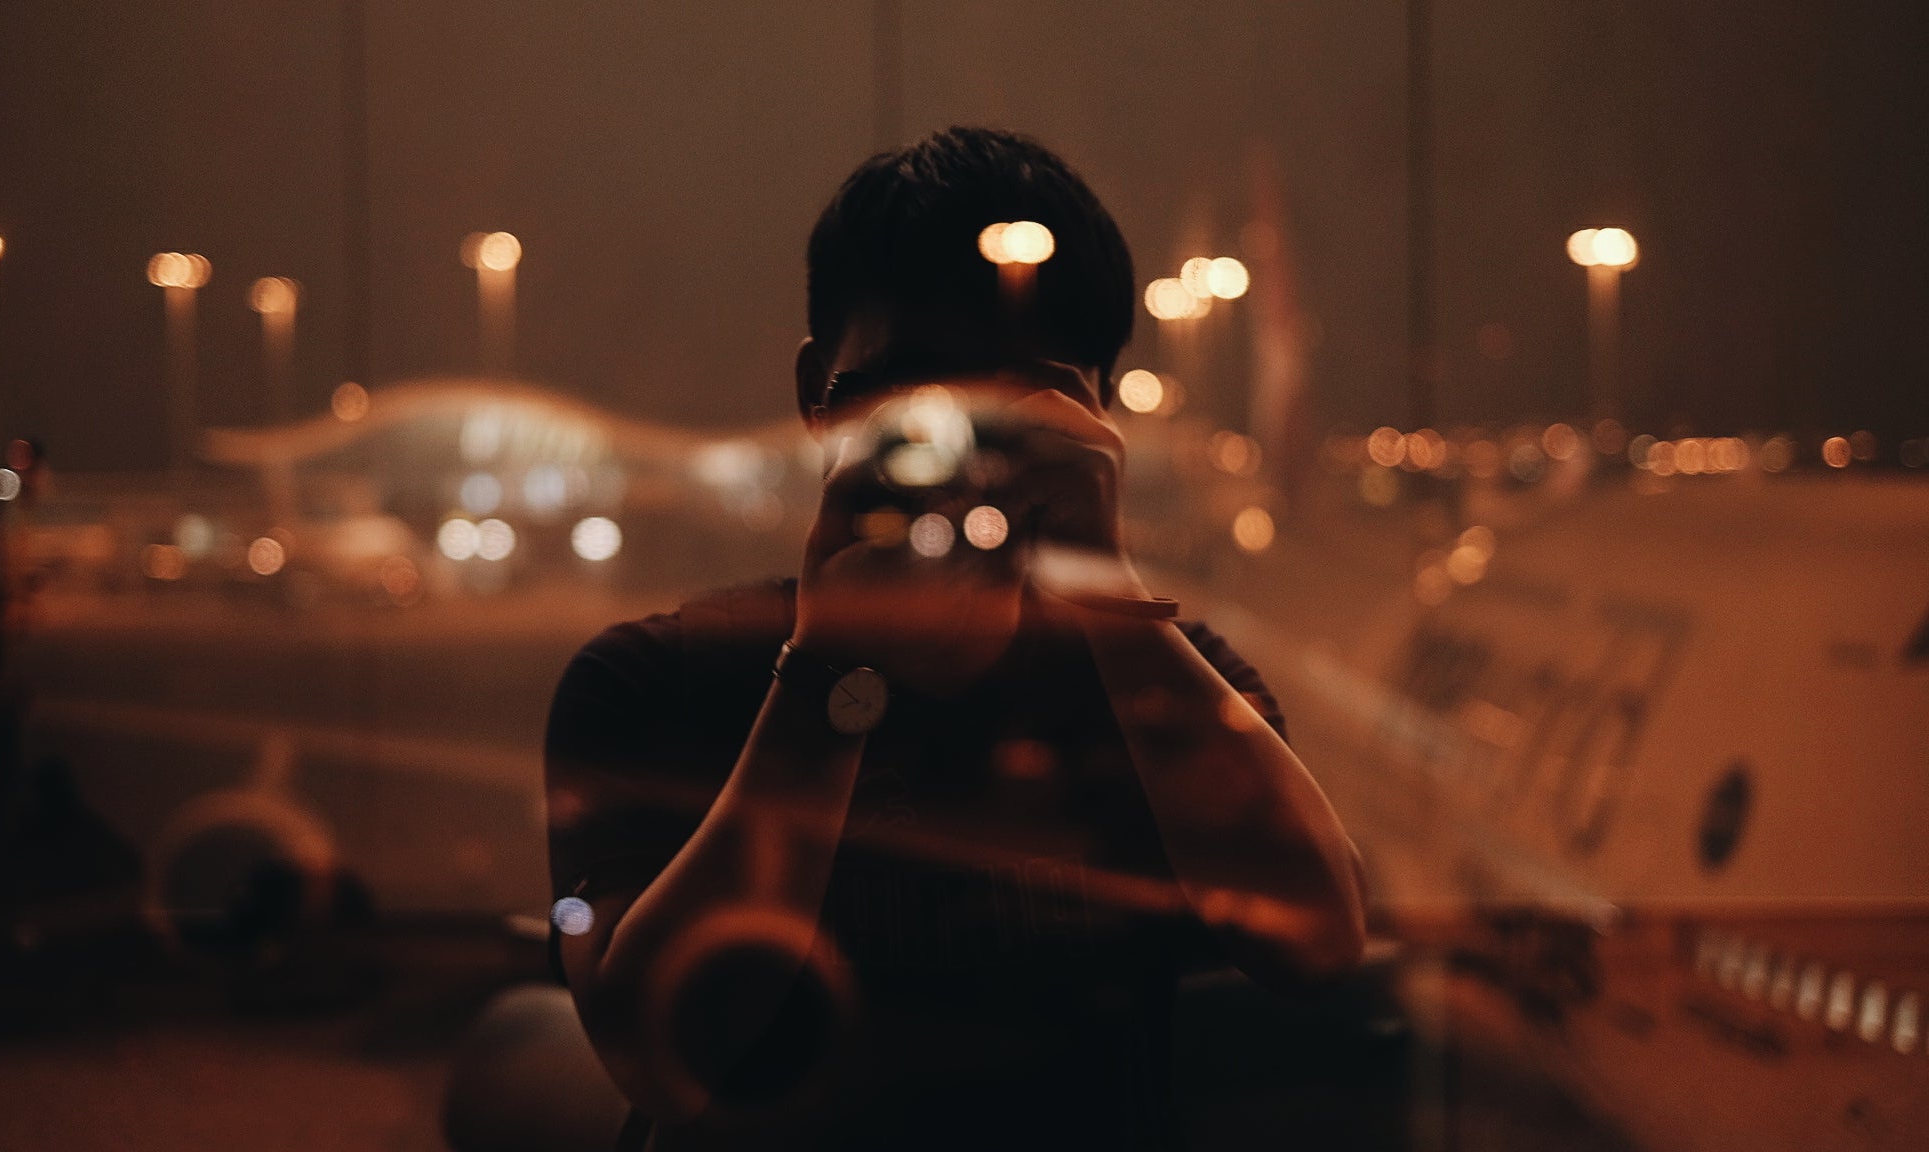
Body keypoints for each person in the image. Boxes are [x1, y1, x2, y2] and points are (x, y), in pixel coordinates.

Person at [542, 126, 1365, 1152]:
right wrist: (829, 669)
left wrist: (1108, 599)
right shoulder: (654, 683)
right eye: (916, 388)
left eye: (1020, 398)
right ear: (815, 396)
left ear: (1098, 417)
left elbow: (1318, 945)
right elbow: (653, 1056)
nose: (965, 439)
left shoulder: (1161, 685)